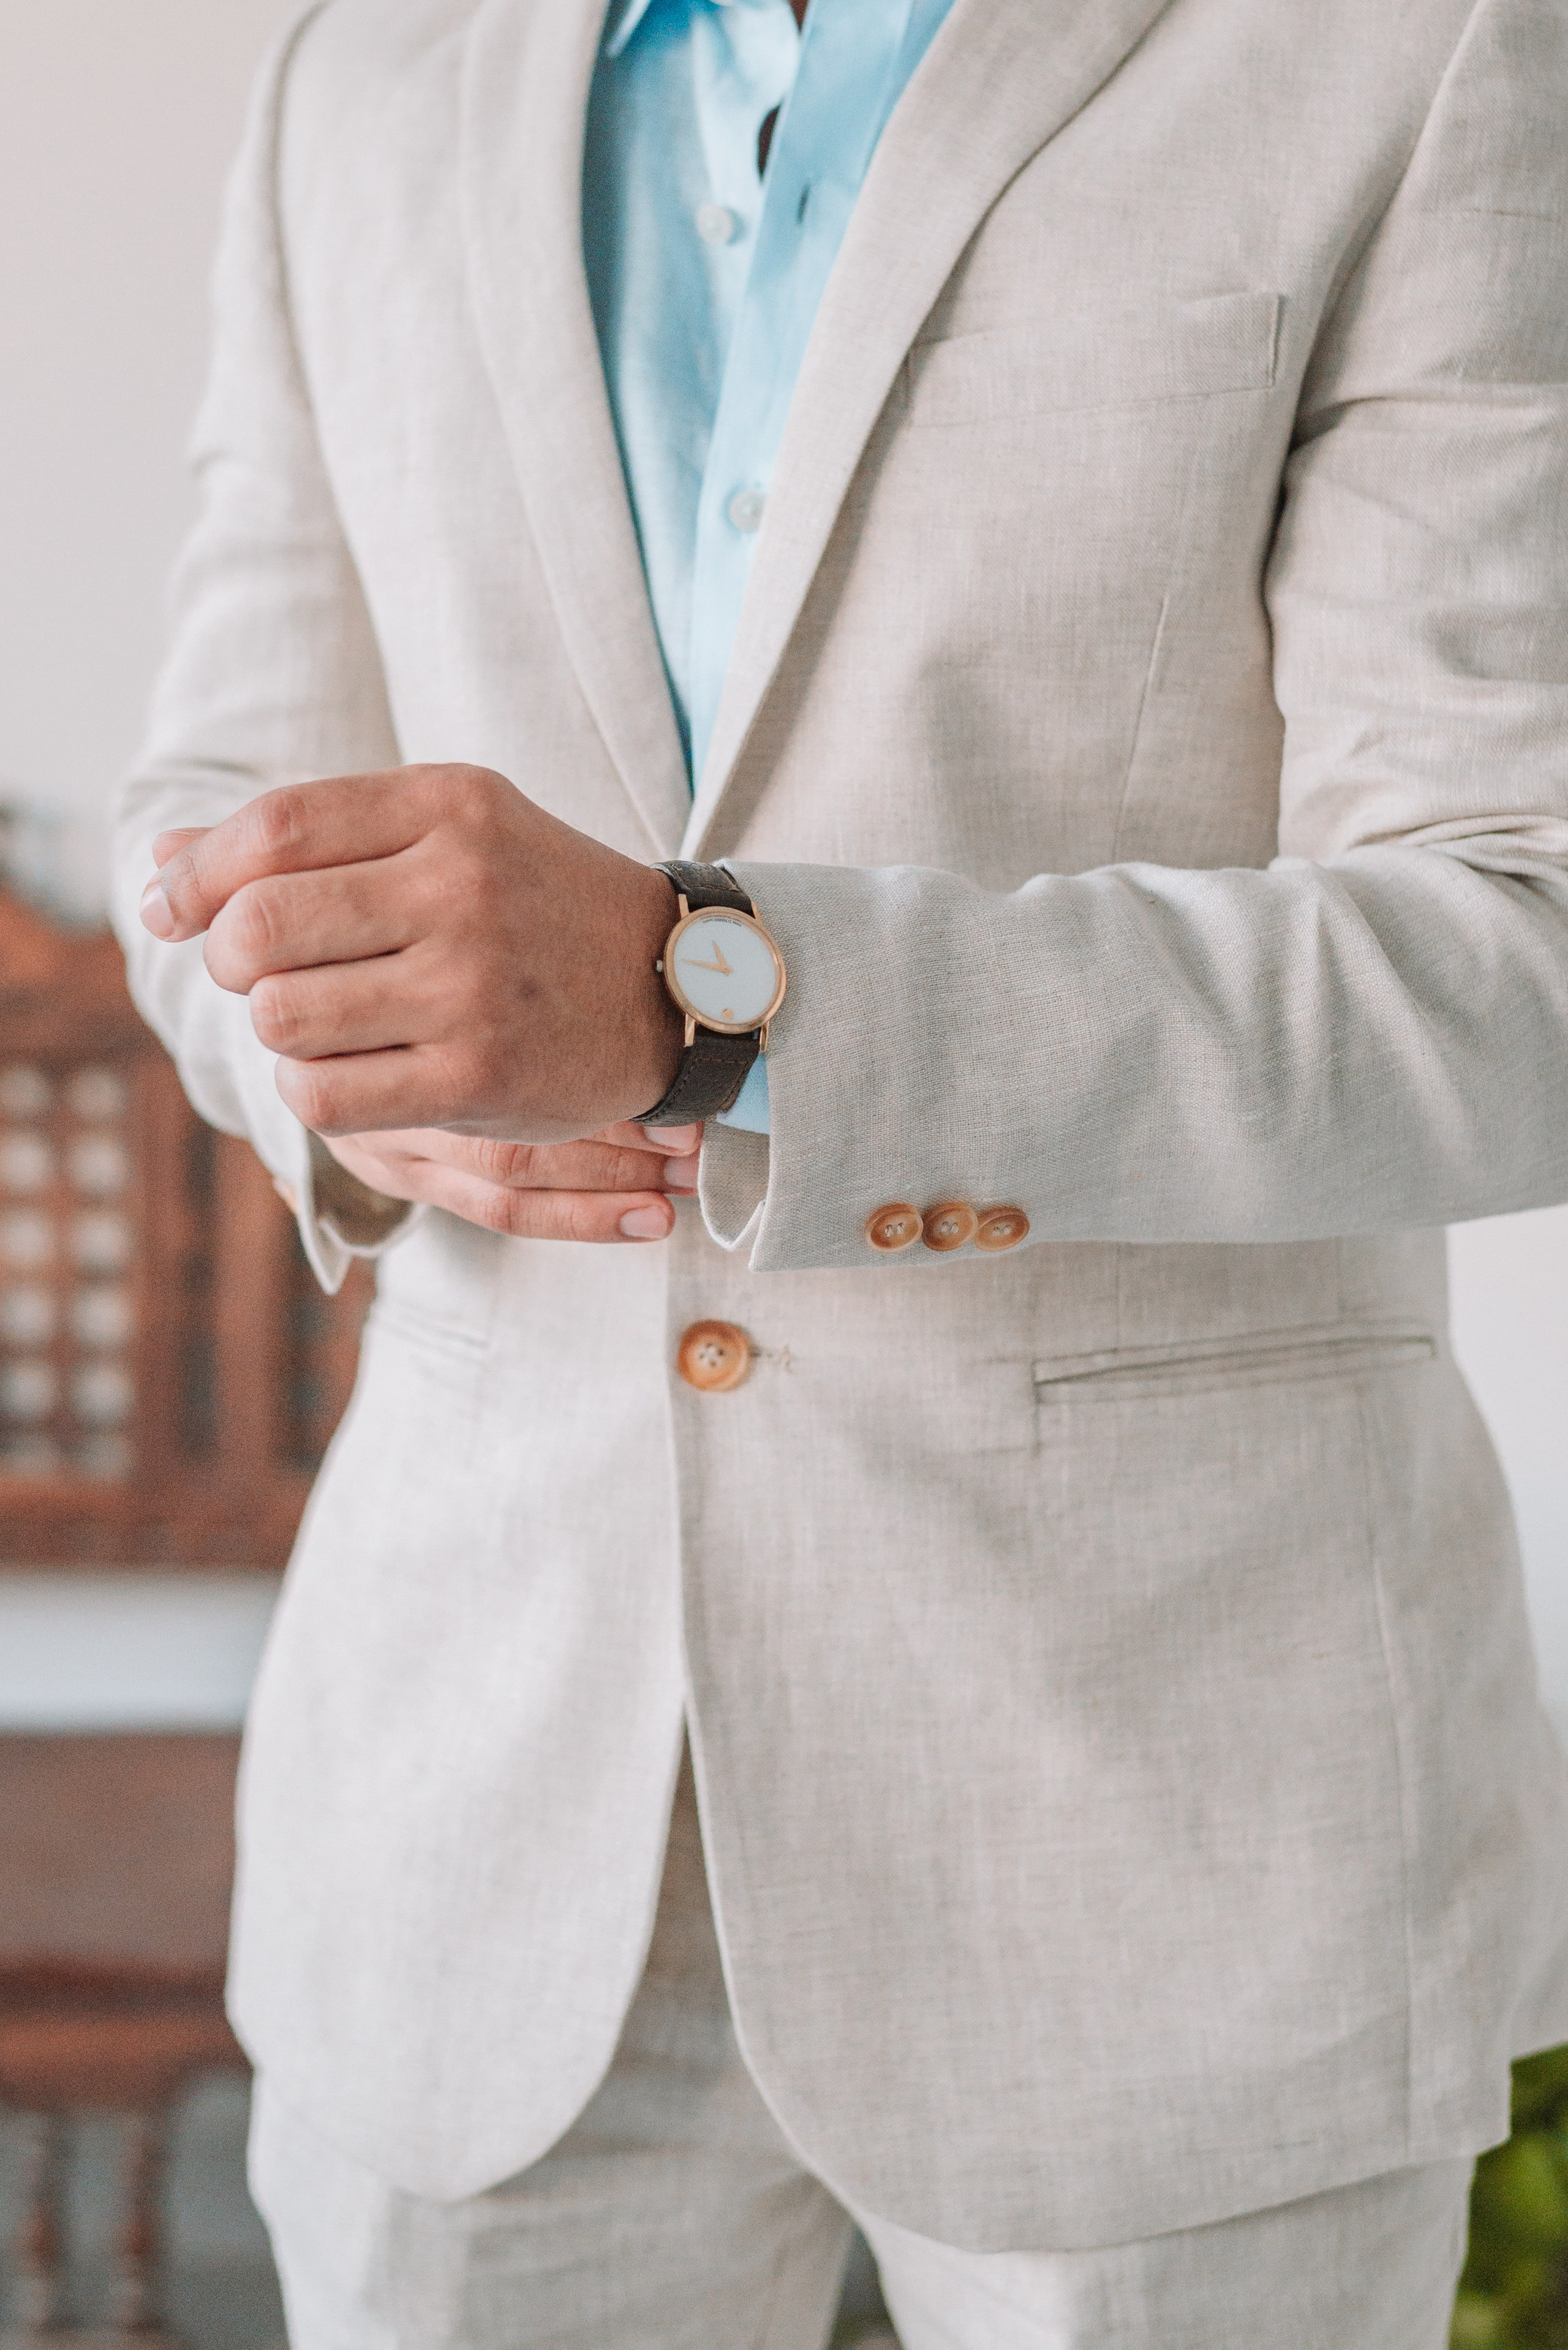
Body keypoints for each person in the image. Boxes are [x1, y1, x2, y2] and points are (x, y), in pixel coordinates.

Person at [113, 0, 1568, 2341]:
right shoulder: (357, 79)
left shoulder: (1415, 42)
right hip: (474, 1817)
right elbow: (200, 813)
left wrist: (725, 995)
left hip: (1172, 1834)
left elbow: (1519, 954)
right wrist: (331, 1064)